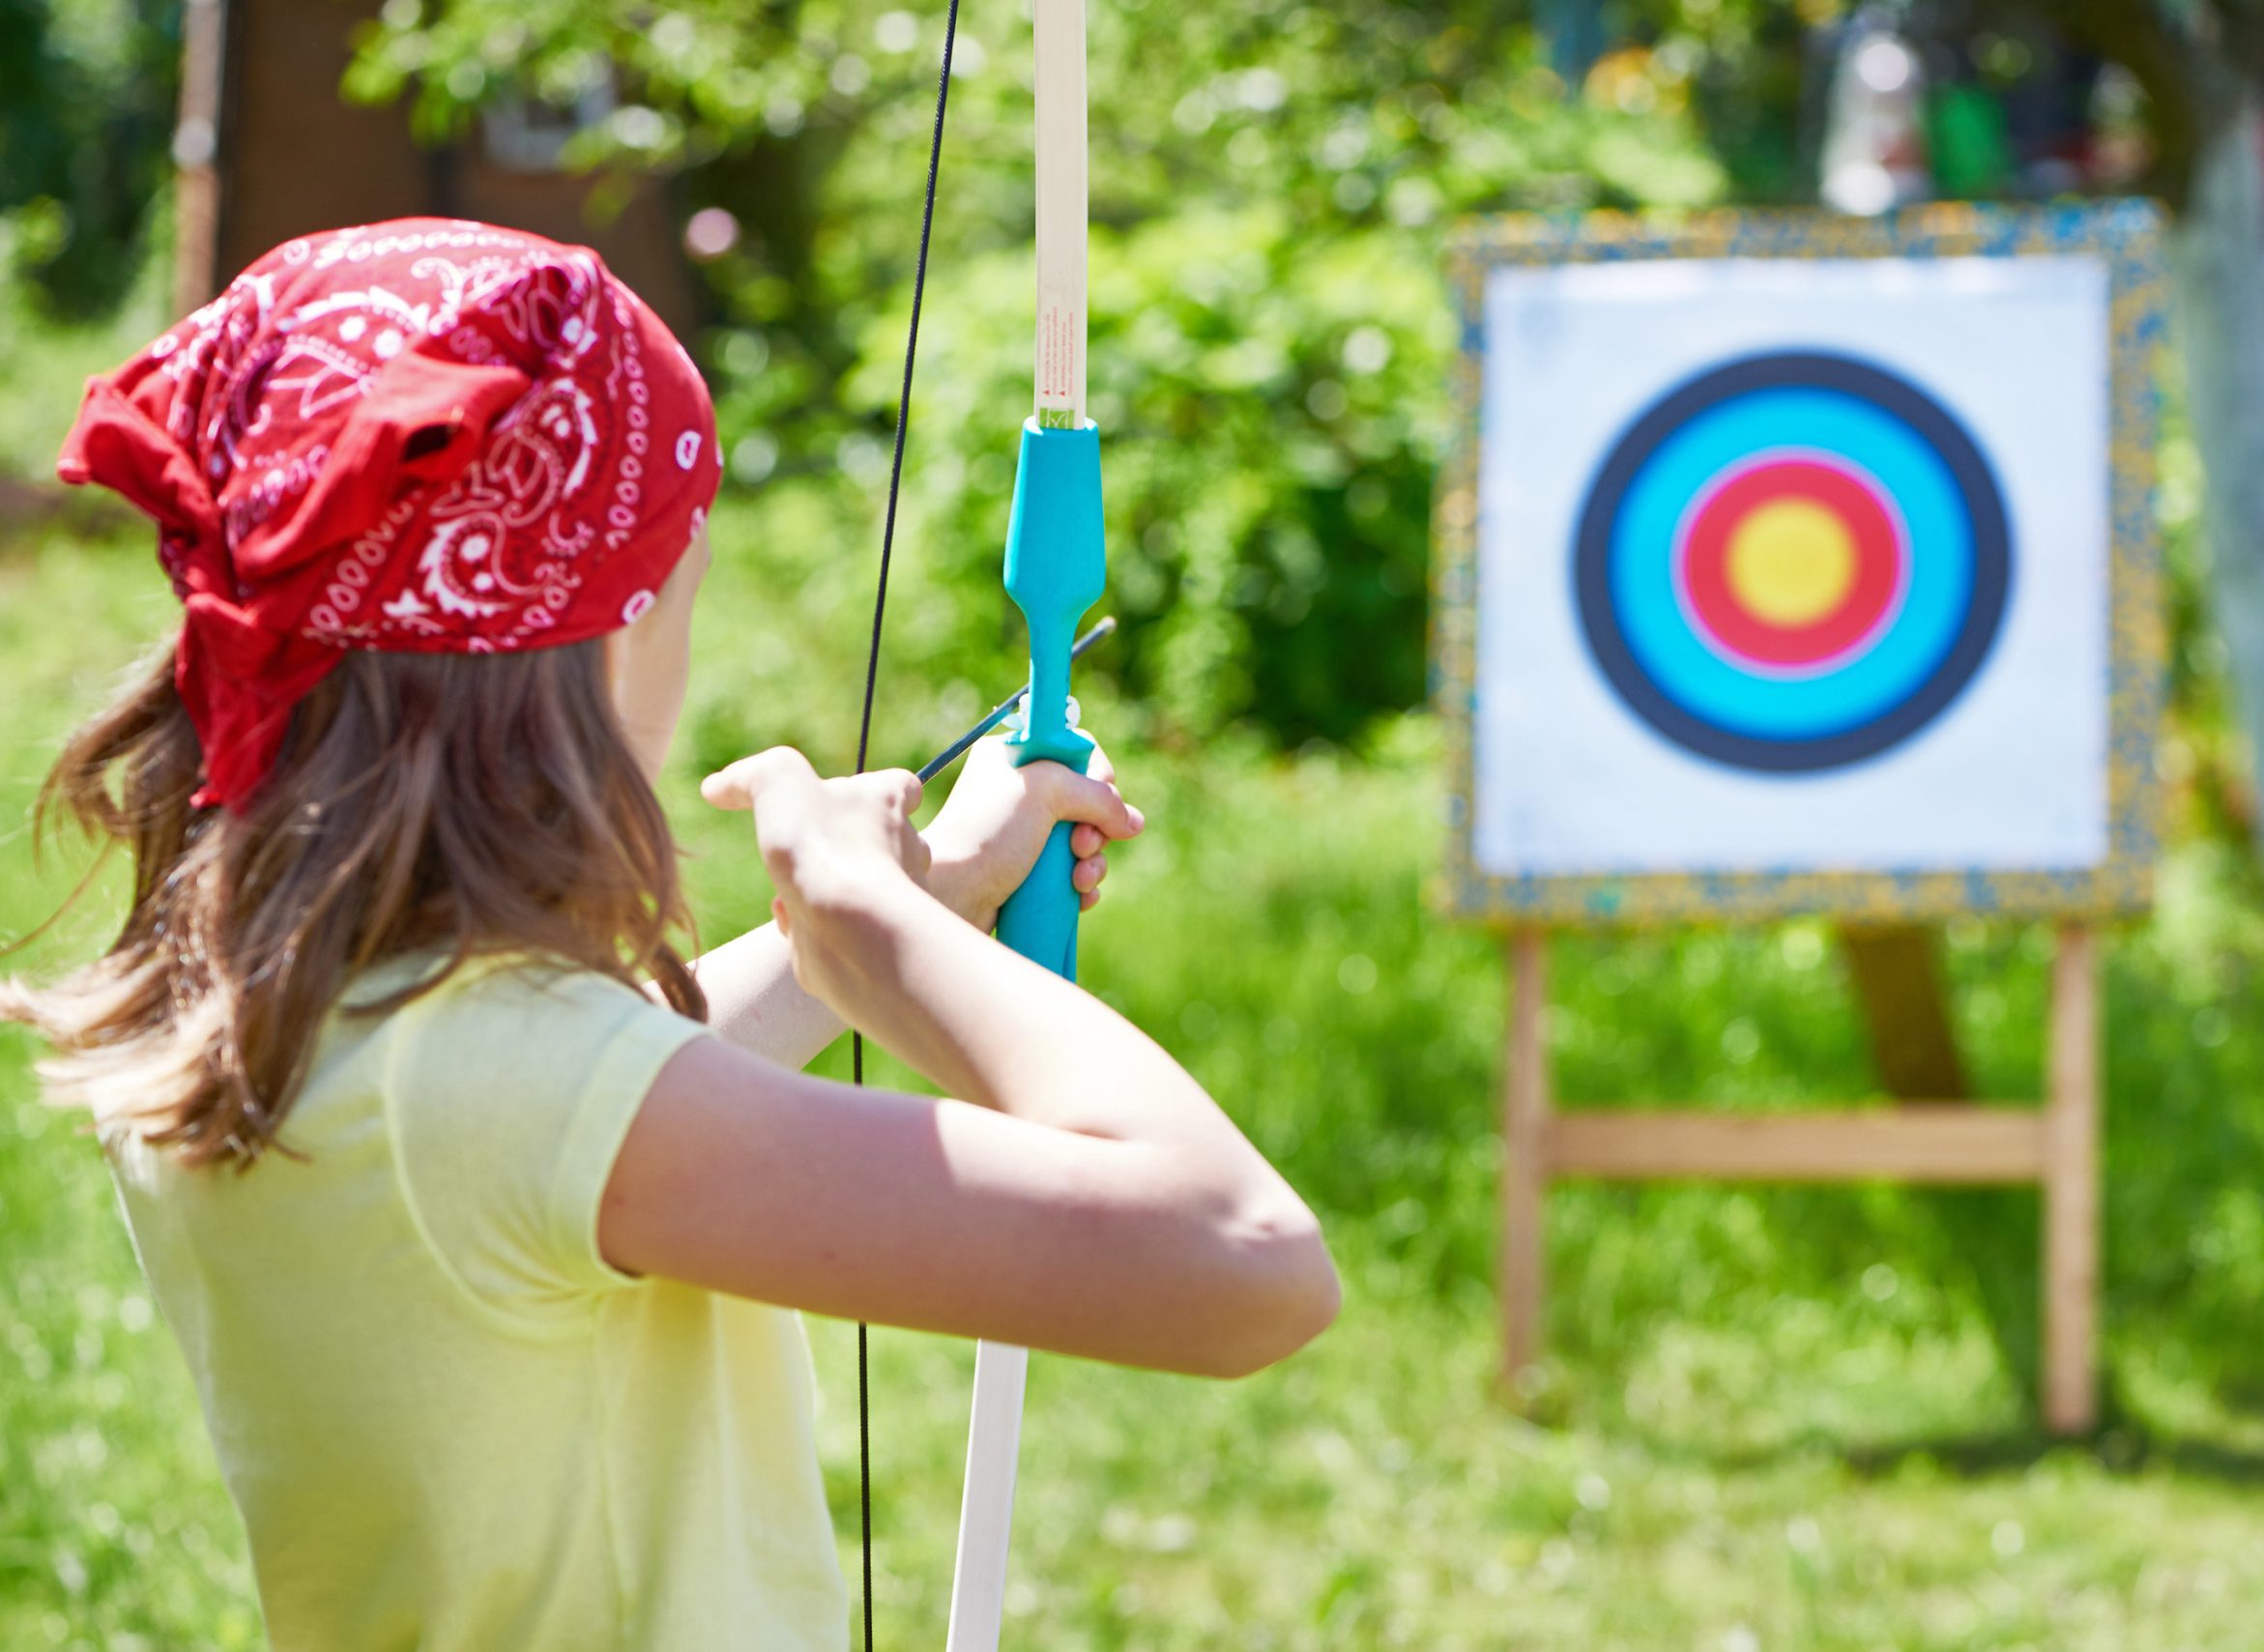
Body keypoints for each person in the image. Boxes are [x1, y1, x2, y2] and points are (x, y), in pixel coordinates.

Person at [1, 218, 1339, 1651]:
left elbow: (585, 1100)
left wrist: (941, 879)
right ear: (604, 647)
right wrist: (880, 928)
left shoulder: (253, 1014)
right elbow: (1247, 1262)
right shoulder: (518, 1096)